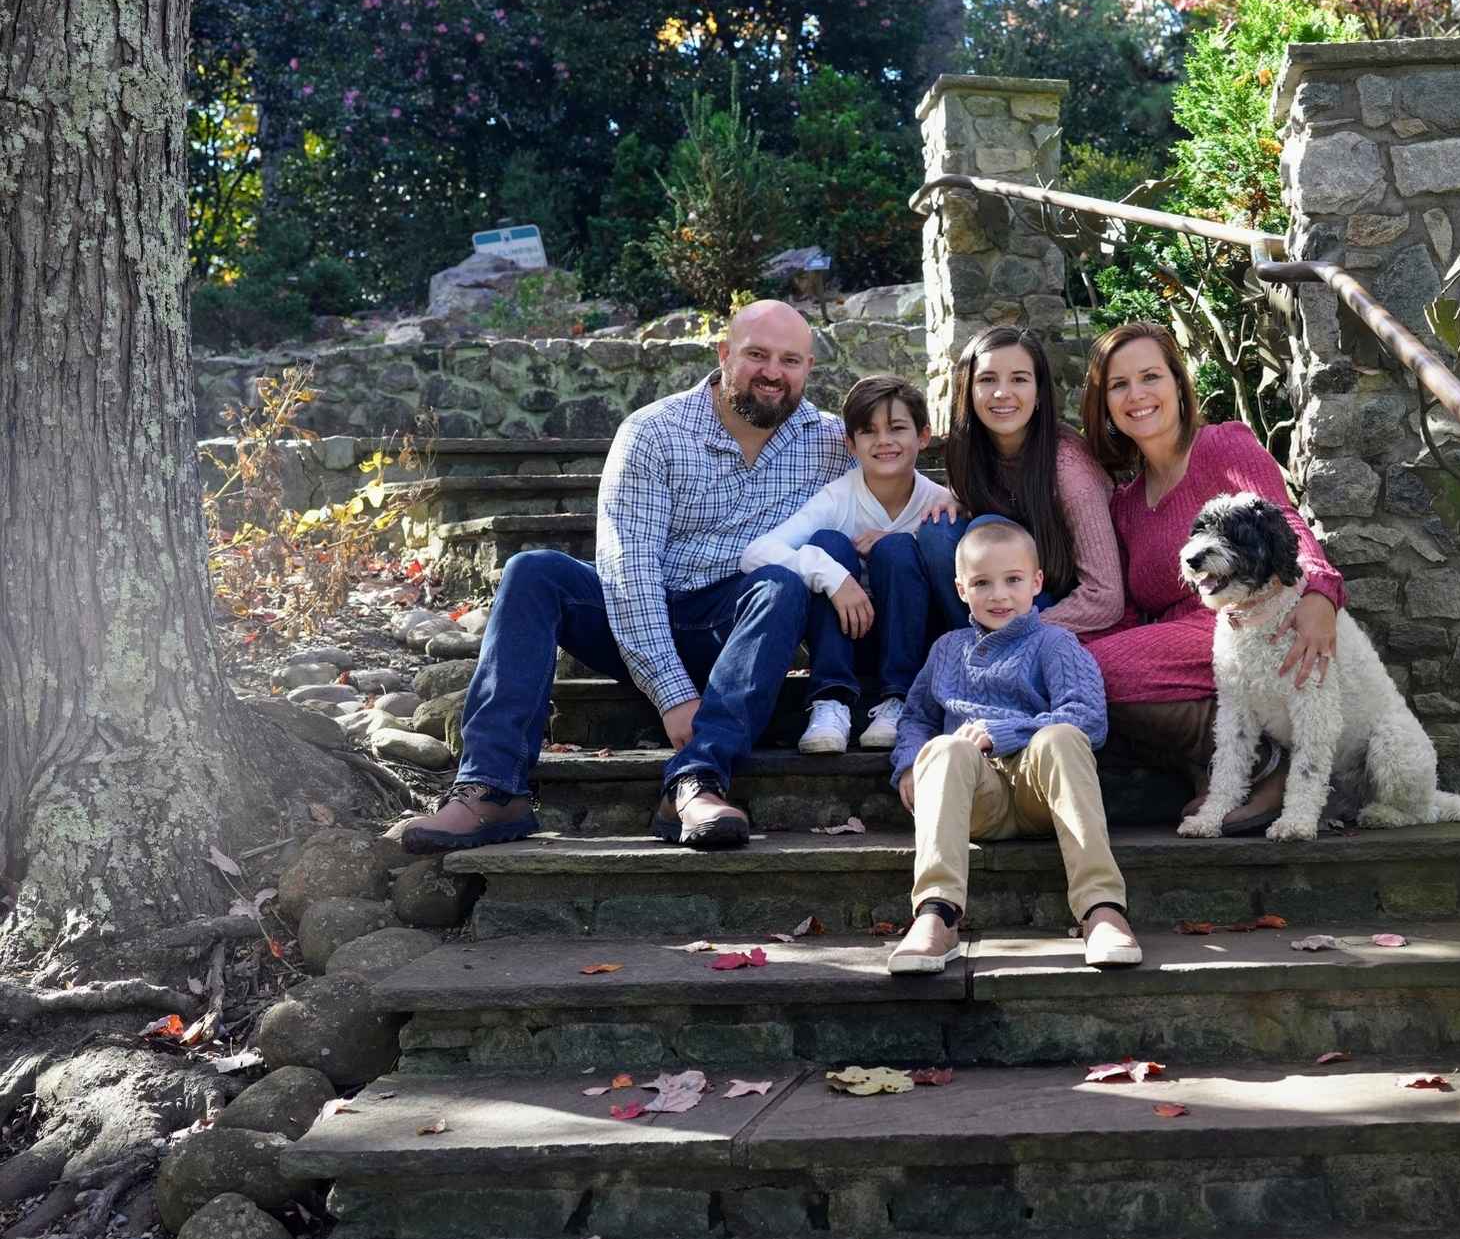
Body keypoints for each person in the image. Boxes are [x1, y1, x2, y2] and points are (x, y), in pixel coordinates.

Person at [386, 300, 851, 855]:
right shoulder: (654, 431)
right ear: (724, 354)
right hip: (640, 617)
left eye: (790, 360)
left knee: (783, 581)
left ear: (808, 367)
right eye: (757, 355)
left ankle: (695, 781)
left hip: (740, 627)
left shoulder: (832, 442)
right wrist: (672, 694)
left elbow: (899, 493)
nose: (773, 373)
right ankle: (492, 788)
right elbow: (628, 572)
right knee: (533, 571)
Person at [1079, 322, 1346, 836]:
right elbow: (1131, 607)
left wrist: (1320, 591)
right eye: (1118, 385)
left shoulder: (1223, 446)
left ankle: (1266, 762)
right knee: (1075, 662)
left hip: (1249, 622)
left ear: (1178, 384)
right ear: (1104, 403)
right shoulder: (1126, 503)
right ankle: (1215, 766)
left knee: (1093, 668)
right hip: (1183, 641)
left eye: (1150, 377)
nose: (1137, 395)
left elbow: (1285, 521)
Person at [886, 521, 1142, 974]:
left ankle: (1101, 909)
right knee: (944, 748)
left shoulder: (1055, 642)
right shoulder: (946, 650)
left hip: (1040, 793)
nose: (999, 595)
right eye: (982, 583)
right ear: (961, 589)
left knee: (1063, 736)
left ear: (1037, 582)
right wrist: (909, 765)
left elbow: (1088, 717)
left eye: (1013, 580)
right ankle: (936, 915)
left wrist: (1002, 732)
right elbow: (917, 718)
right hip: (975, 799)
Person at [739, 375, 954, 753]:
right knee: (827, 544)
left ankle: (899, 700)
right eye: (868, 431)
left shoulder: (939, 502)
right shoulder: (838, 498)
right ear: (851, 444)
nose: (884, 440)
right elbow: (755, 552)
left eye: (897, 428)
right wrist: (834, 577)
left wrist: (904, 539)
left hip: (911, 643)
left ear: (923, 436)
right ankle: (830, 701)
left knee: (898, 549)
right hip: (845, 643)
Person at [913, 325, 1123, 637]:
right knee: (939, 531)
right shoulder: (970, 450)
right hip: (1000, 599)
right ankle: (974, 646)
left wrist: (1019, 633)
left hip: (1055, 603)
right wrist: (955, 497)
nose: (1002, 393)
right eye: (987, 379)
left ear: (1039, 394)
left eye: (1019, 379)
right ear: (968, 389)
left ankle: (990, 649)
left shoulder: (1069, 468)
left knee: (984, 527)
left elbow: (1105, 596)